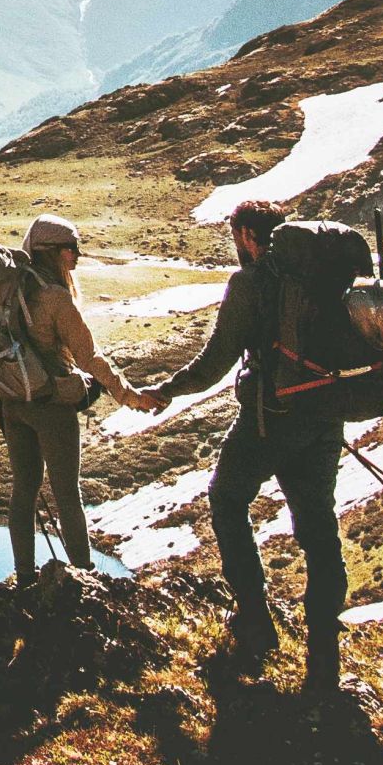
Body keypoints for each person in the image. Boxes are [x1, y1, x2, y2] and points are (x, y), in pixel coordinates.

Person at [136, 199, 351, 691]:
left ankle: (255, 620)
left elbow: (215, 361)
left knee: (227, 498)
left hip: (270, 419)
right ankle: (324, 655)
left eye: (237, 237)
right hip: (326, 416)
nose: (236, 247)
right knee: (318, 522)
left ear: (250, 237)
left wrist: (166, 390)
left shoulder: (251, 282)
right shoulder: (326, 278)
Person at [0, 214, 158, 586]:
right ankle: (84, 577)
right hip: (51, 405)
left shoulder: (13, 288)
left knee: (24, 488)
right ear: (52, 252)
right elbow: (88, 357)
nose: (77, 257)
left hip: (12, 403)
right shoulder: (55, 297)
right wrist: (126, 394)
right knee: (67, 491)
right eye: (71, 250)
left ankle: (24, 577)